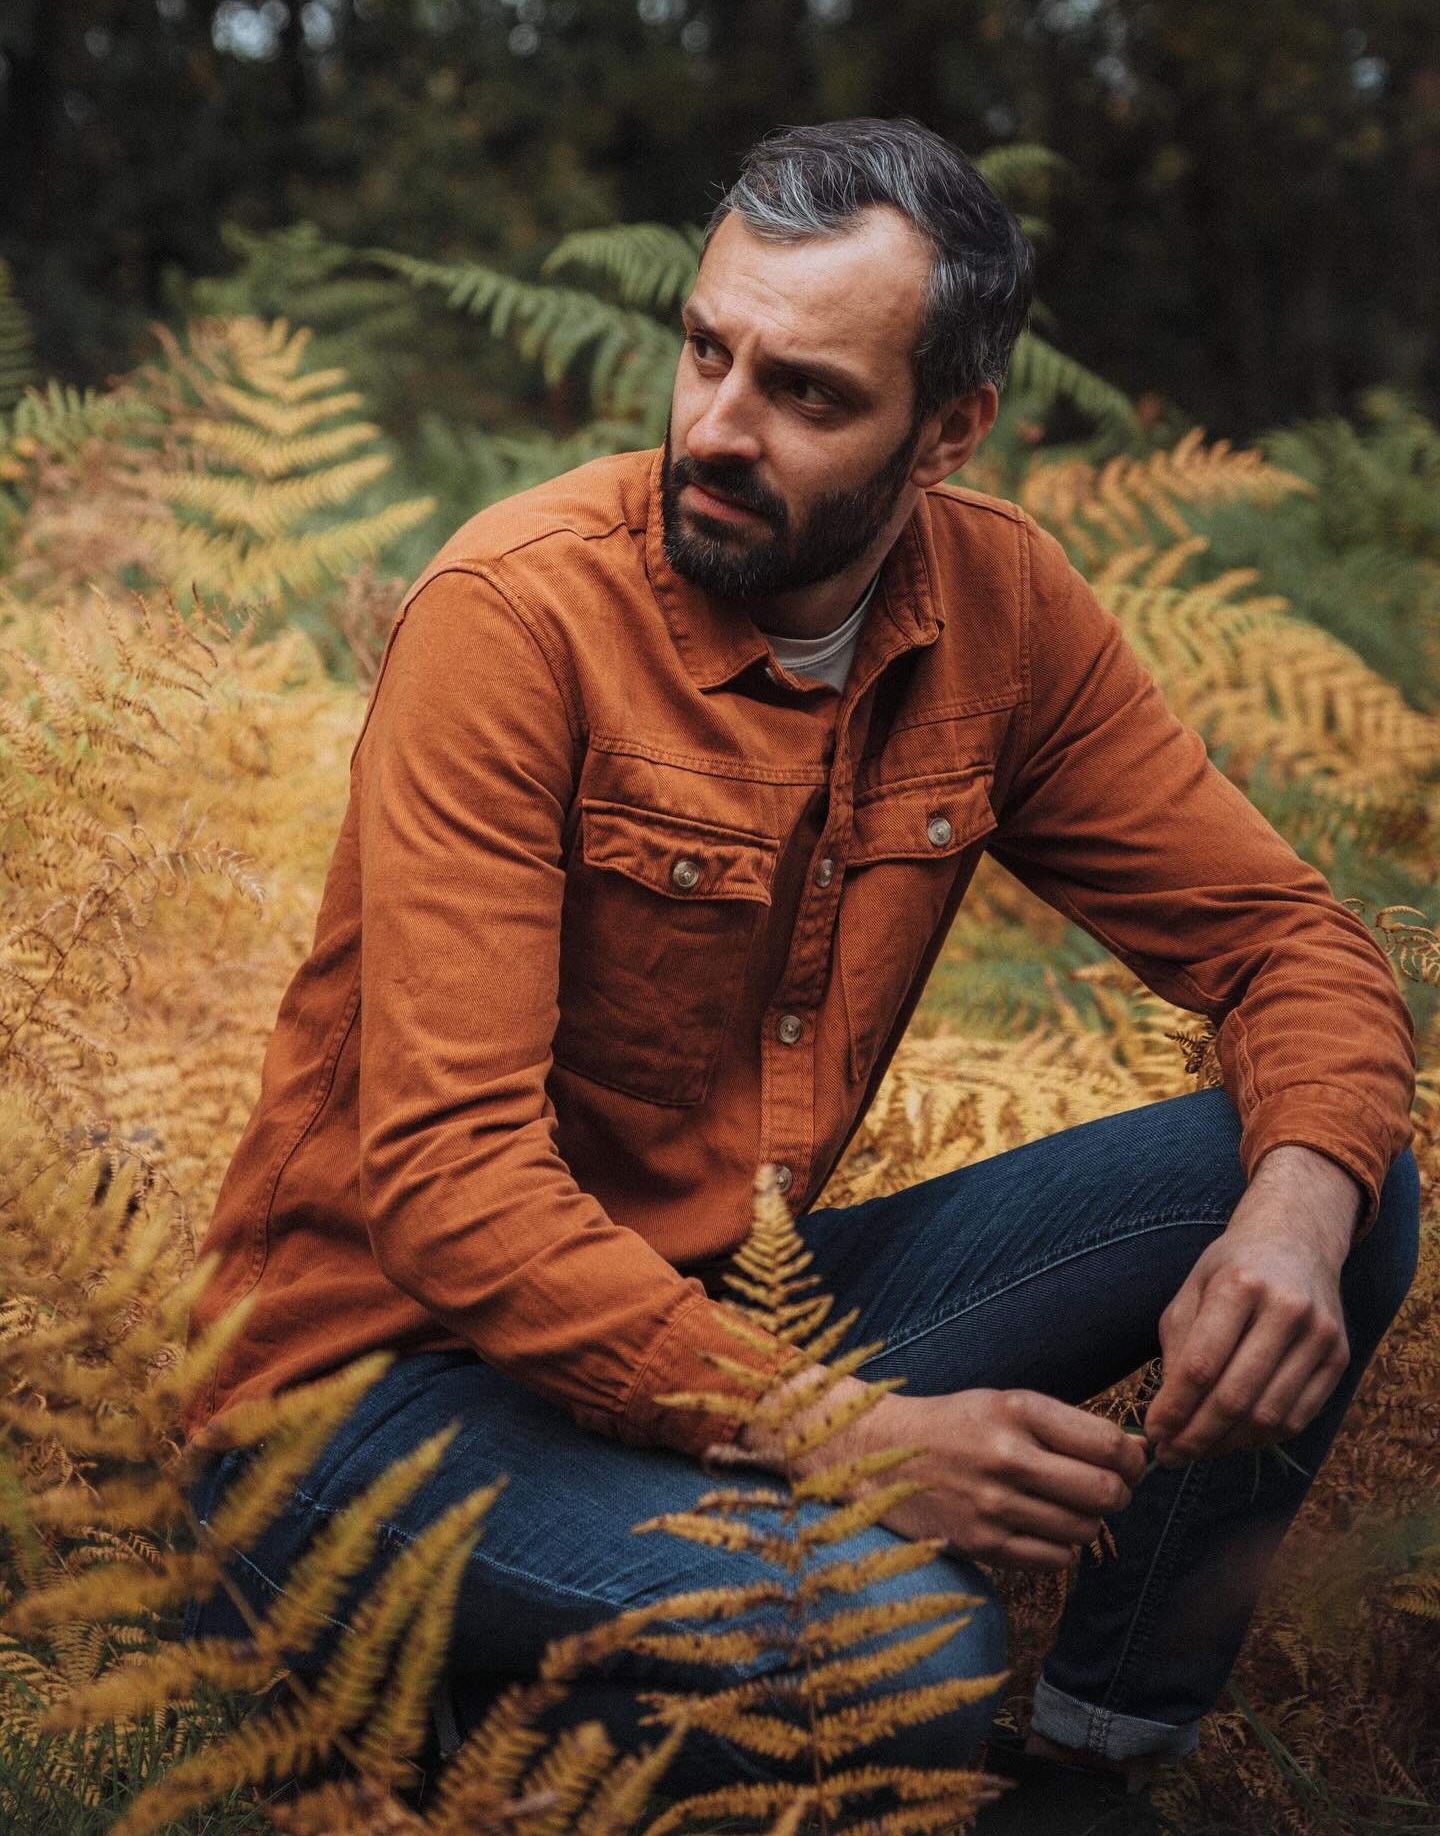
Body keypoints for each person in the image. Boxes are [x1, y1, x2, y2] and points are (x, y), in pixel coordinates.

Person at [180, 118, 1419, 1830]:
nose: (716, 425)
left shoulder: (1003, 612)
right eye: (707, 351)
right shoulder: (517, 616)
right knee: (908, 1650)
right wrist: (848, 1444)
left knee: (1329, 1179)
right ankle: (428, 1732)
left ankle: (1088, 1771)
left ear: (950, 429)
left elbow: (1292, 943)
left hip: (710, 1318)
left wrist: (1290, 1221)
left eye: (807, 394)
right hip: (370, 1405)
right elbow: (451, 1188)